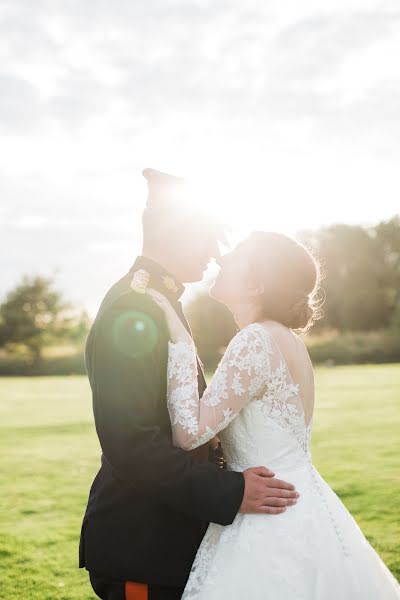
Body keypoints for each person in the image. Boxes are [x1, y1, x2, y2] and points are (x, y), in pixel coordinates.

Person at [79, 170, 299, 600]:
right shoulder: (133, 308)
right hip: (141, 547)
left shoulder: (157, 301)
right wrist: (232, 491)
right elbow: (132, 444)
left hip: (170, 542)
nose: (216, 255)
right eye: (208, 239)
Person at [147, 230, 400, 600]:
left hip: (267, 516)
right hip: (304, 506)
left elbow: (187, 433)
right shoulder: (283, 339)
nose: (222, 257)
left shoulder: (256, 340)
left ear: (255, 286)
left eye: (237, 255)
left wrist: (182, 344)